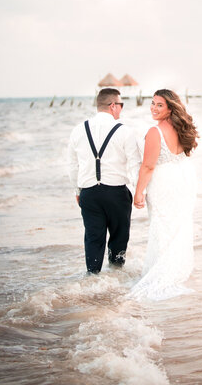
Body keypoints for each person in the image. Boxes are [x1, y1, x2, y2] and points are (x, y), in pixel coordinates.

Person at [130, 89, 199, 300]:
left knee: (162, 226)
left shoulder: (155, 131)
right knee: (177, 226)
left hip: (164, 183)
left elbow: (148, 166)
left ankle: (164, 272)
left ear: (170, 108)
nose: (153, 108)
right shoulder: (182, 129)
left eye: (159, 105)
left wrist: (138, 192)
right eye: (152, 103)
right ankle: (177, 269)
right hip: (184, 179)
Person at [68, 88, 141, 274]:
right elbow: (134, 164)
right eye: (121, 105)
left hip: (89, 193)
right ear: (112, 106)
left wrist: (77, 191)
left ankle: (92, 278)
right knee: (119, 237)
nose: (121, 109)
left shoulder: (78, 130)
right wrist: (139, 190)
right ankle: (116, 276)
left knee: (93, 238)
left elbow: (73, 166)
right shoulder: (125, 131)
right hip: (116, 193)